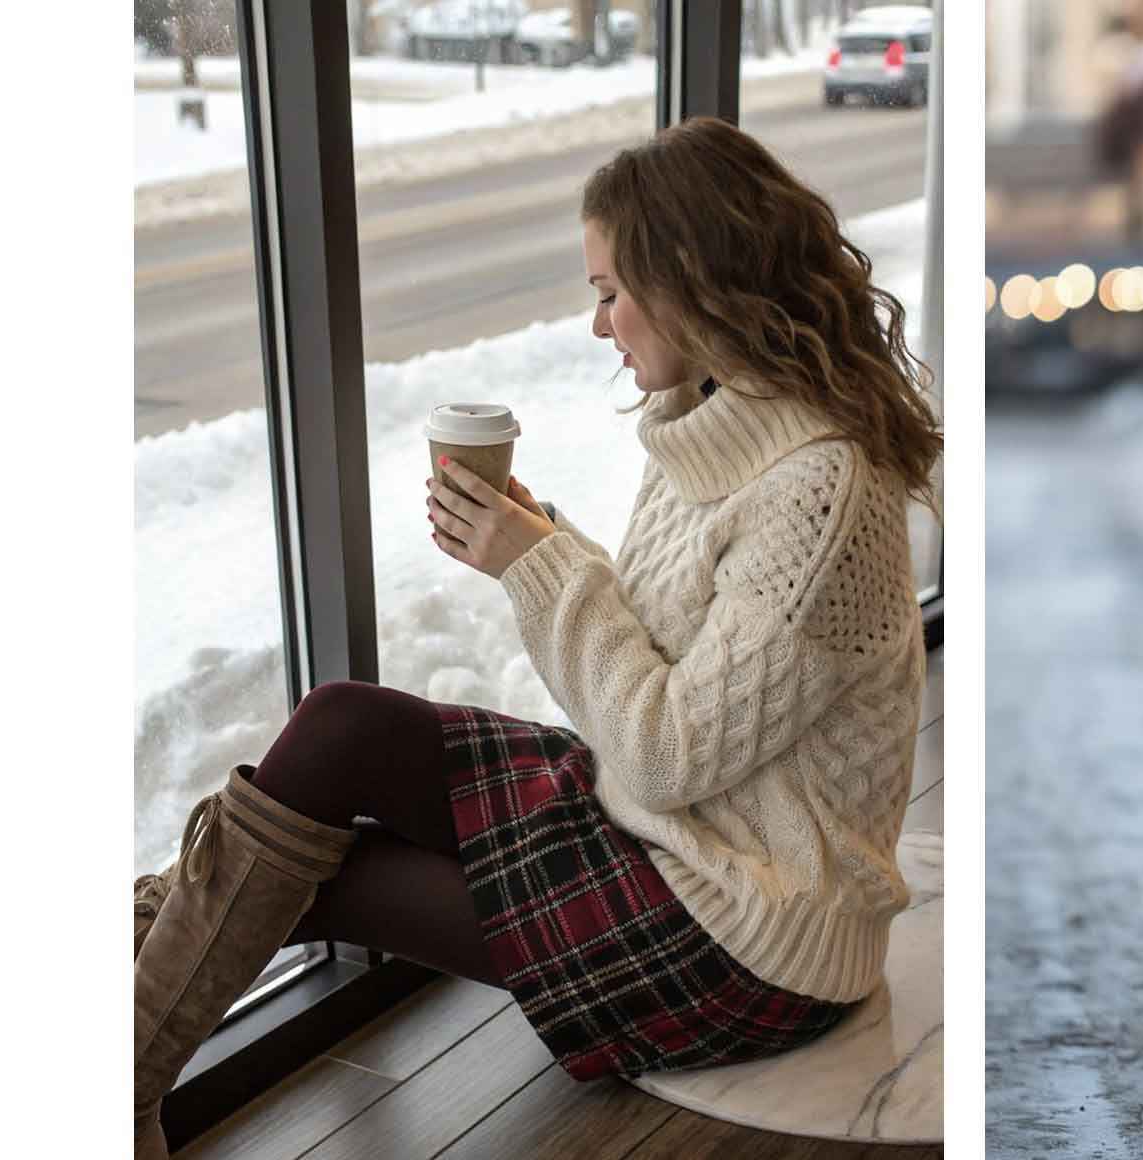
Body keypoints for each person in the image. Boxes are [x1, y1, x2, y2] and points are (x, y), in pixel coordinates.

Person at [132, 117, 939, 1157]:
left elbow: (667, 749)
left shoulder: (819, 489)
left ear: (690, 279)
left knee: (309, 872)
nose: (599, 325)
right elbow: (666, 650)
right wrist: (544, 541)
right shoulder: (712, 421)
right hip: (663, 831)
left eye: (609, 291)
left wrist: (535, 564)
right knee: (340, 726)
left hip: (747, 937)